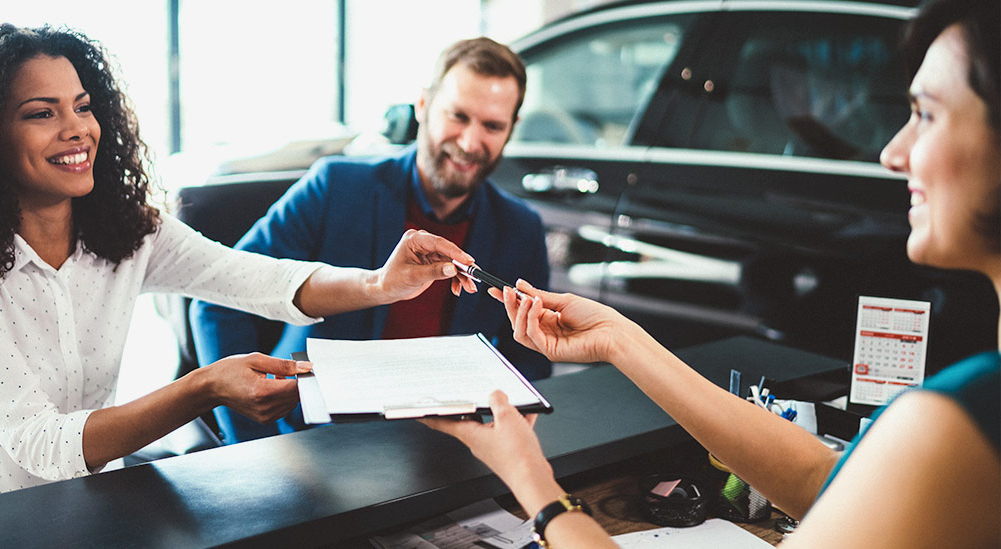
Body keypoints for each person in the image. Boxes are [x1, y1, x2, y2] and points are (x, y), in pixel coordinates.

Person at [422, 0, 1000, 546]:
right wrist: (621, 341)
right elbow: (832, 483)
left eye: (925, 113)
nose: (892, 153)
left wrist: (534, 485)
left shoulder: (959, 424)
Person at [0, 23, 479, 514]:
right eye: (41, 113)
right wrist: (203, 387)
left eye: (82, 106)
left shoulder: (127, 231)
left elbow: (259, 281)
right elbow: (41, 443)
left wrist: (381, 283)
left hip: (73, 510)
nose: (77, 129)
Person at [193, 37, 551, 443]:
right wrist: (250, 443)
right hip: (312, 437)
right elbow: (218, 301)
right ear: (423, 106)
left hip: (443, 447)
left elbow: (529, 357)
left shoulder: (521, 227)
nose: (470, 143)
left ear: (511, 130)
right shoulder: (335, 187)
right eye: (458, 116)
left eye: (492, 126)